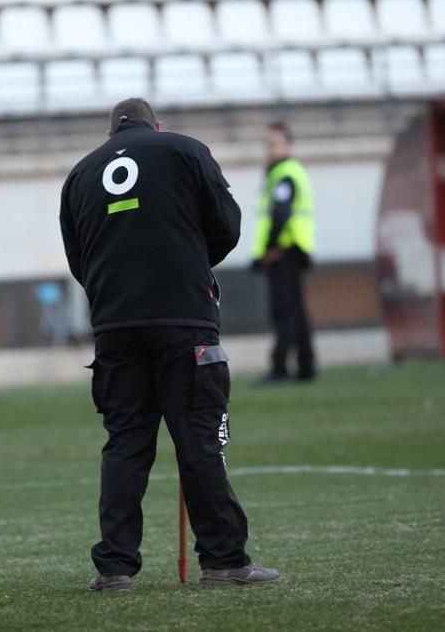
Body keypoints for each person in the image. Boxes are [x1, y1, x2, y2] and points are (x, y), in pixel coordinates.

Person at [59, 98, 280, 592]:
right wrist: (190, 261)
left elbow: (80, 259)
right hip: (184, 318)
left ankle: (114, 569)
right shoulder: (184, 150)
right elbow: (226, 224)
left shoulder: (79, 174)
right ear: (155, 125)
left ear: (111, 131)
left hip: (114, 324)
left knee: (125, 444)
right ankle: (224, 562)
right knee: (199, 438)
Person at [251, 122, 317, 383]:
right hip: (293, 249)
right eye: (267, 144)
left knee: (284, 312)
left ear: (288, 146)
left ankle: (280, 367)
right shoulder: (287, 173)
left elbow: (280, 214)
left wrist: (269, 249)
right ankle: (306, 366)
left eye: (274, 143)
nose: (269, 149)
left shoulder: (284, 174)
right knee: (297, 311)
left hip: (284, 251)